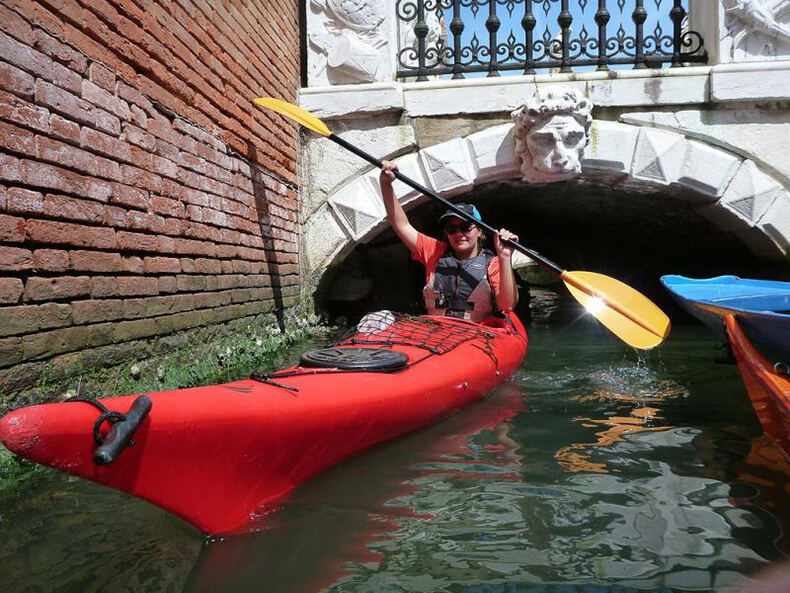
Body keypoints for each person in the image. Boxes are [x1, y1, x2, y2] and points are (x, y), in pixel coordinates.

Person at [379, 160, 519, 323]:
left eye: (466, 227)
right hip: (435, 332)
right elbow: (400, 224)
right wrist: (386, 184)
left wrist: (504, 257)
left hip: (476, 336)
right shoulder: (434, 251)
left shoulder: (493, 264)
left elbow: (507, 305)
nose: (459, 234)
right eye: (452, 229)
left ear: (480, 231)